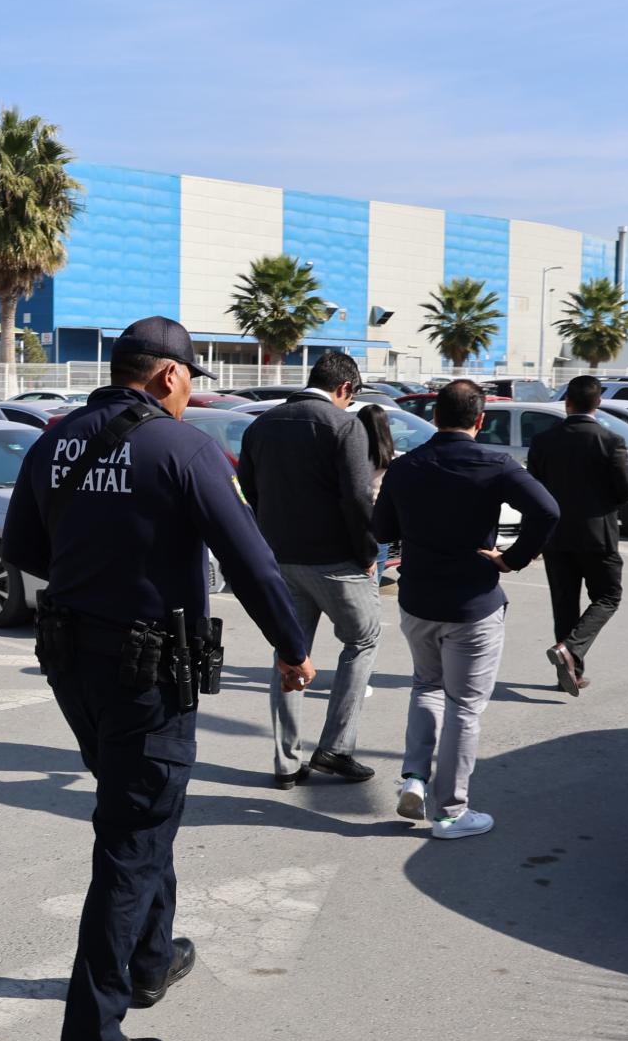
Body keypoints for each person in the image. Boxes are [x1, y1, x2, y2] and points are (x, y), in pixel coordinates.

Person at [3, 316, 314, 1041]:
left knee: (144, 805)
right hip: (145, 668)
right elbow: (250, 556)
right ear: (171, 376)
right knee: (133, 836)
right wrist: (292, 642)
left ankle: (152, 956)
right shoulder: (184, 446)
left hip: (73, 662)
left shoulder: (54, 439)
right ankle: (90, 1040)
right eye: (192, 382)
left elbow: (23, 547)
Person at [370, 379, 557, 840]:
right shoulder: (495, 463)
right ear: (480, 419)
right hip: (472, 604)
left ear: (434, 417)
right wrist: (511, 559)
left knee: (426, 687)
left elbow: (381, 527)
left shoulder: (407, 465)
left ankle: (414, 776)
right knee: (465, 707)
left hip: (417, 600)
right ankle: (450, 812)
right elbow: (547, 511)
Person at [237, 351, 379, 790]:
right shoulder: (344, 425)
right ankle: (336, 746)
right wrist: (369, 553)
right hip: (335, 562)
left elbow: (250, 491)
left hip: (279, 559)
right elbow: (358, 500)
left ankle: (286, 762)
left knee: (290, 655)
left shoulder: (261, 425)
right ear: (345, 389)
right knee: (363, 639)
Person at [525, 375, 628, 696]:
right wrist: (601, 509)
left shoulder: (543, 441)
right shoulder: (610, 440)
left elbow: (534, 492)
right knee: (607, 597)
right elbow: (627, 491)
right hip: (598, 535)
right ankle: (571, 652)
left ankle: (571, 668)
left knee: (564, 604)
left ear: (567, 403)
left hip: (555, 536)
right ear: (598, 402)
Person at [357, 403, 398, 584]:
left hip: (353, 521)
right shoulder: (391, 460)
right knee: (373, 586)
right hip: (379, 524)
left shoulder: (351, 456)